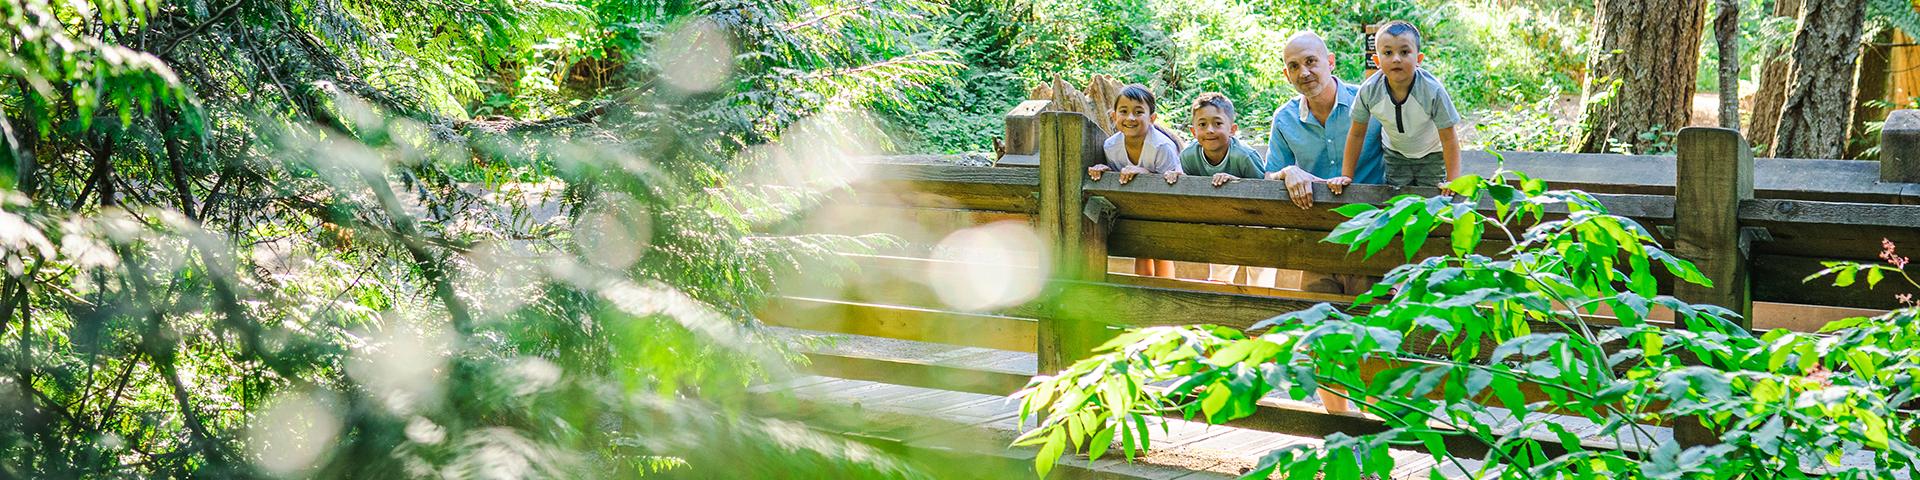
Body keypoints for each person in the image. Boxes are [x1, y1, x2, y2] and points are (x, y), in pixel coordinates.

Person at [1261, 31, 1388, 297]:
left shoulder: (1369, 103)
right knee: (1314, 328)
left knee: (1374, 331)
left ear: (1330, 62)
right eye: (1294, 67)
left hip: (1372, 239)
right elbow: (1269, 176)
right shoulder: (1285, 119)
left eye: (1311, 61)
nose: (1304, 72)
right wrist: (1288, 171)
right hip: (1317, 241)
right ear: (1287, 75)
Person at [1330, 20, 1462, 194]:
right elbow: (1356, 133)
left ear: (1418, 59)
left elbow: (1449, 137)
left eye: (1405, 52)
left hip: (1432, 155)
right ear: (1377, 60)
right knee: (1397, 198)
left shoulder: (1432, 91)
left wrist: (1454, 181)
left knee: (1431, 200)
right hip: (1395, 154)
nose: (1396, 59)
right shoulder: (1370, 91)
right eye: (1388, 53)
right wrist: (1346, 175)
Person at [1091, 84, 1183, 278]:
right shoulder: (1111, 146)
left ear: (1152, 118)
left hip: (1165, 212)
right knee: (1140, 250)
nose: (1130, 118)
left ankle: (1165, 291)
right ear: (1114, 116)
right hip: (1133, 211)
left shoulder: (1162, 146)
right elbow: (1120, 180)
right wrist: (1106, 173)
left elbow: (1174, 185)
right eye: (1123, 111)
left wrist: (1146, 173)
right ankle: (1142, 290)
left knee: (1160, 250)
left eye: (1138, 112)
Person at [1167, 92, 1265, 187]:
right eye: (1202, 124)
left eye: (1218, 123)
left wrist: (1235, 183)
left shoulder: (1245, 157)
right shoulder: (1189, 156)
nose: (1209, 130)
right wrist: (1180, 179)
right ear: (1193, 132)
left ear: (1232, 129)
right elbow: (1190, 189)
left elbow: (1264, 188)